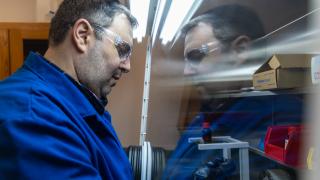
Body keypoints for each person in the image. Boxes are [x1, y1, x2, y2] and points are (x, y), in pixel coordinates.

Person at [162, 4, 303, 179]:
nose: (187, 72)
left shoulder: (281, 119)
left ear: (240, 50)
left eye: (196, 57)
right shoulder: (206, 117)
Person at [0, 0, 138, 179]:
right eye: (122, 49)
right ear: (82, 35)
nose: (127, 66)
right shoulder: (33, 116)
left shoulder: (80, 102)